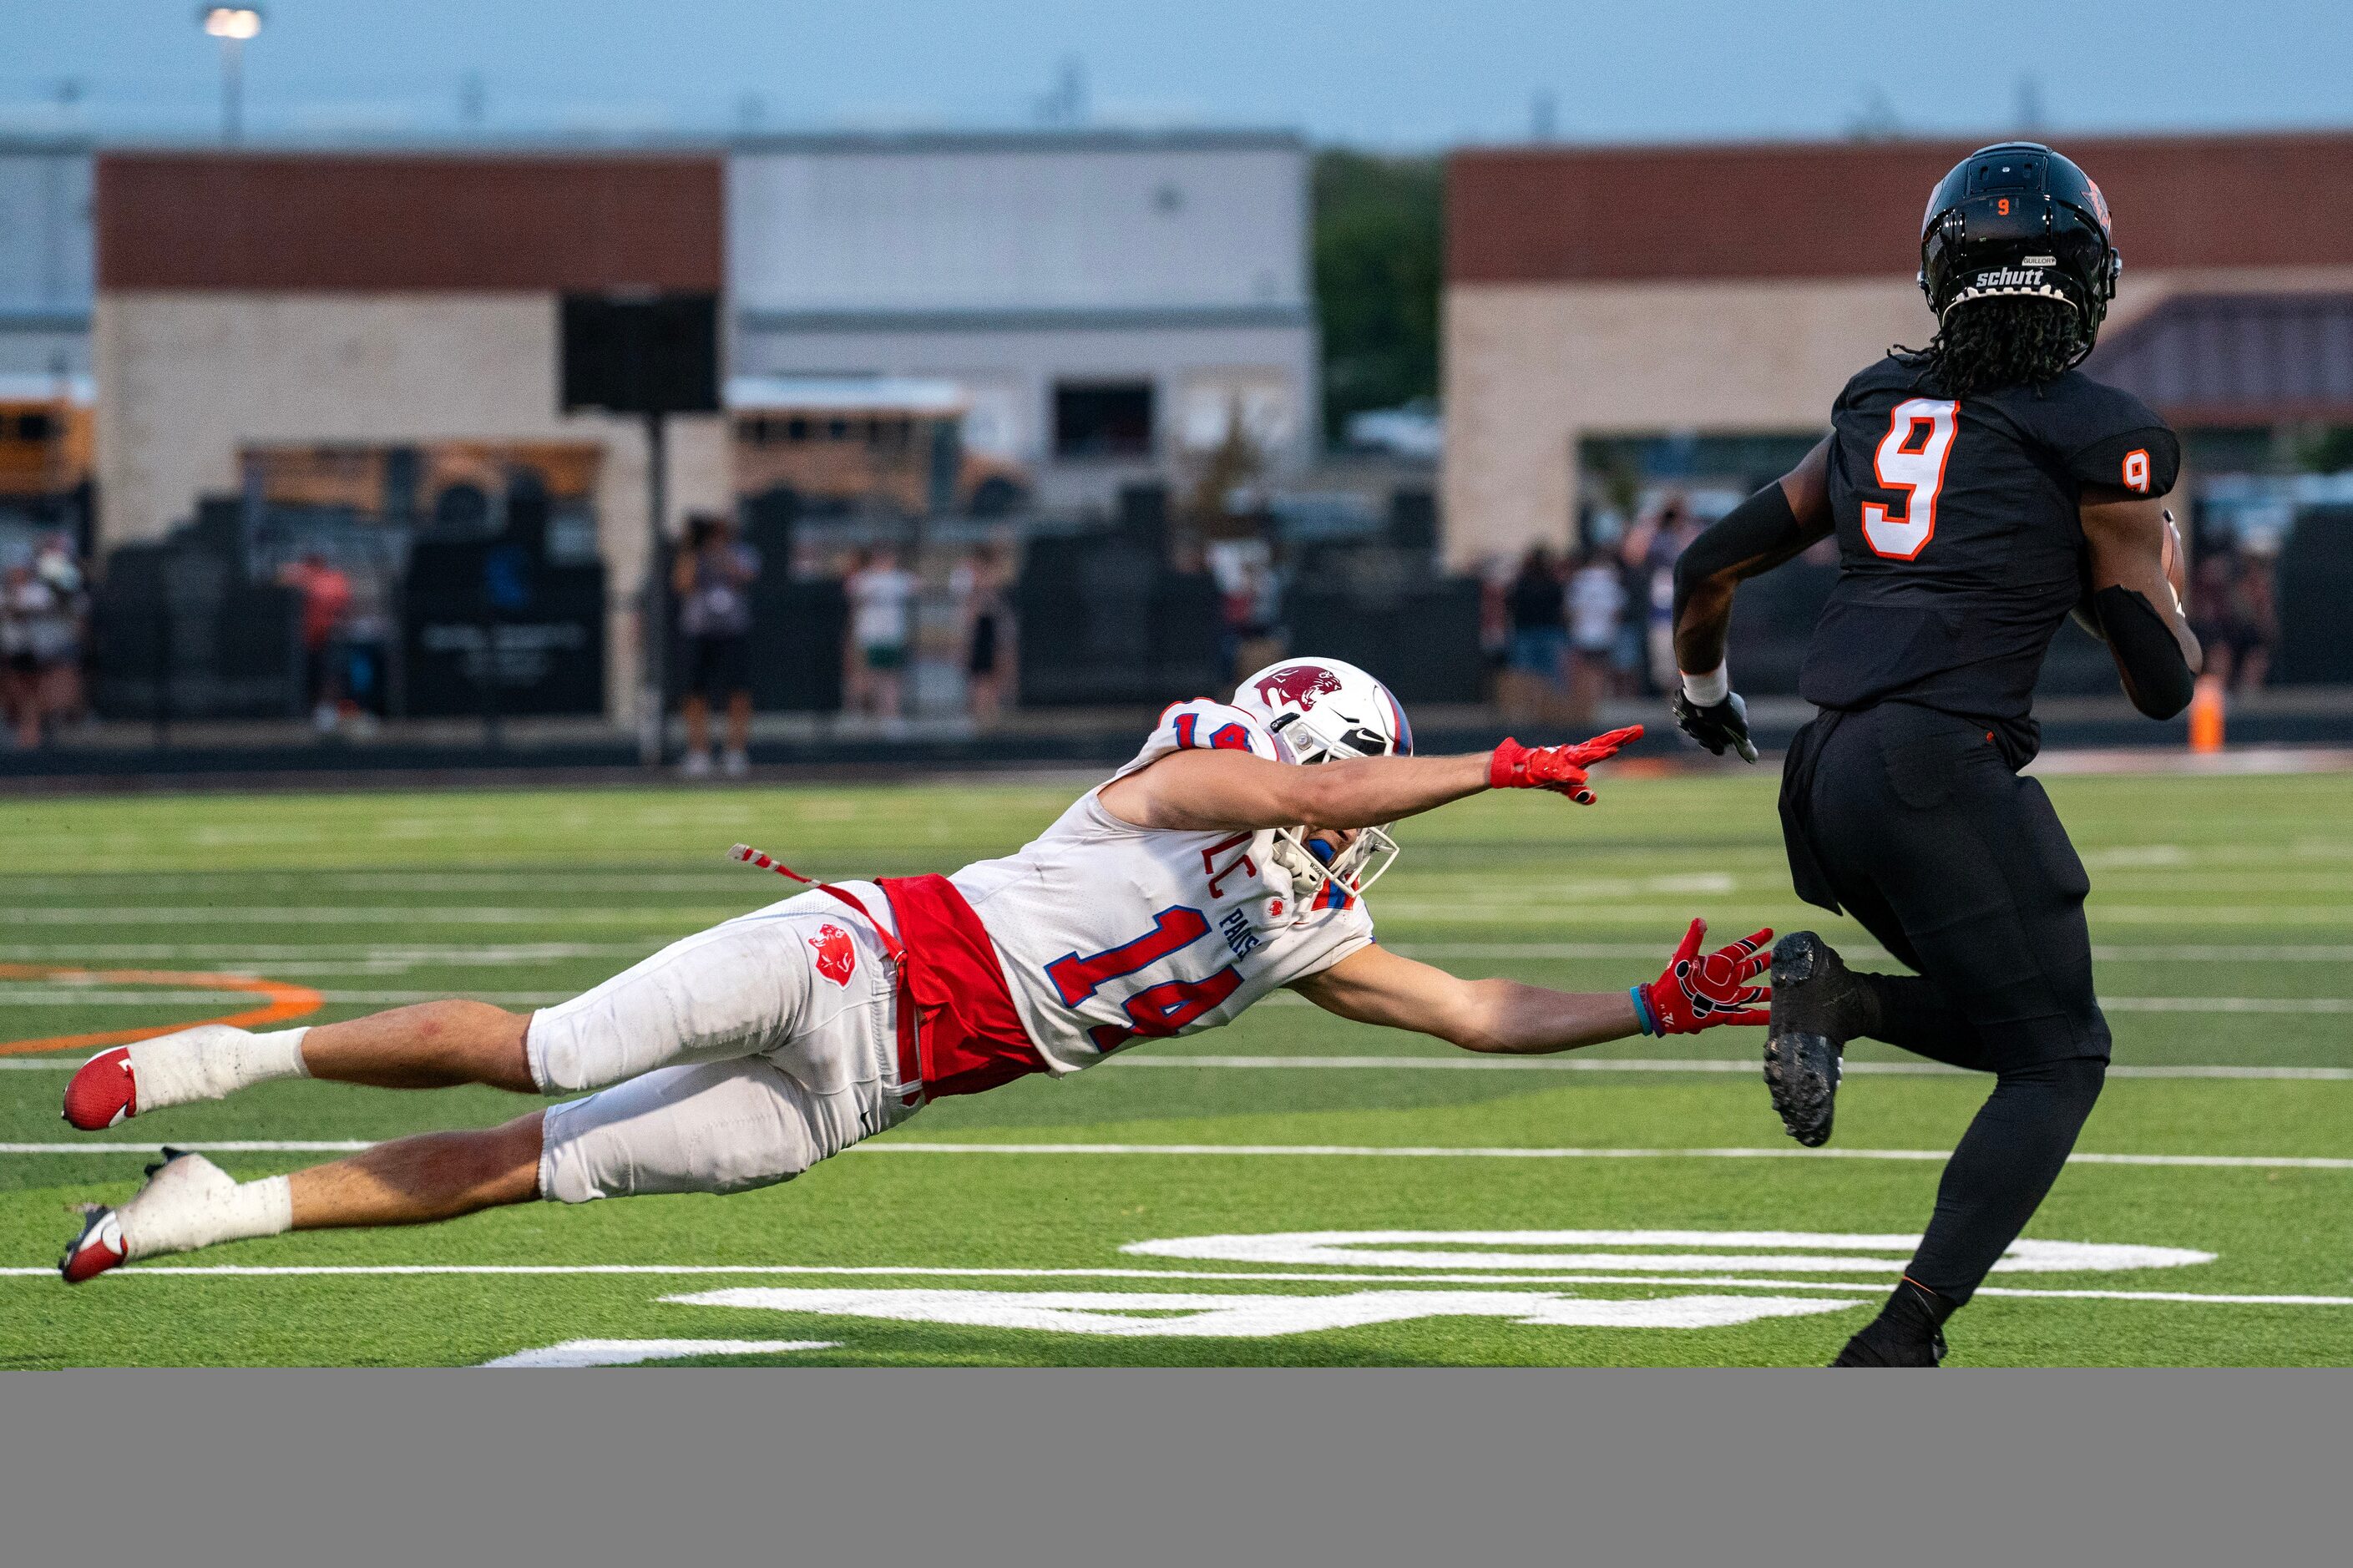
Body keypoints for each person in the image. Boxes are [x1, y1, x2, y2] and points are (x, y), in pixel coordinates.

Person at [57, 658, 1774, 1282]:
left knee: (530, 1171)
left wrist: (1642, 1006)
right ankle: (227, 1065)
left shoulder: (1303, 930)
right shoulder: (1175, 786)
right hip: (841, 961)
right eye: (1350, 779)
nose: (1343, 830)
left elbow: (1474, 1009)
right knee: (556, 1048)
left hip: (863, 1094)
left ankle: (206, 1209)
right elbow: (1305, 794)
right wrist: (1486, 764)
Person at [1668, 143, 2199, 1367]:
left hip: (1823, 776)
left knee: (2022, 1024)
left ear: (1938, 272)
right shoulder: (2103, 434)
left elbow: (1707, 564)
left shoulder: (1873, 405)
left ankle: (1839, 996)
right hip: (1937, 767)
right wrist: (2139, 559)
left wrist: (1705, 697)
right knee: (2061, 1058)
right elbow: (2160, 680)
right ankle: (1902, 1333)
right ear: (2089, 275)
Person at [674, 513, 762, 778]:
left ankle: (735, 752)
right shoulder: (692, 554)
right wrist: (693, 548)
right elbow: (682, 583)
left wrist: (720, 551)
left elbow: (745, 575)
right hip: (699, 631)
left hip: (733, 631)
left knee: (738, 691)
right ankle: (698, 753)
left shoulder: (741, 551)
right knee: (695, 692)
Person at [2, 541, 85, 749]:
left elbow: (59, 612)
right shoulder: (3, 594)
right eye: (13, 570)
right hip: (10, 658)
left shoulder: (40, 593)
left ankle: (36, 736)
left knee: (39, 700)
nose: (17, 574)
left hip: (41, 659)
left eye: (20, 569)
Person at [276, 551, 353, 733]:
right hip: (303, 642)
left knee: (331, 675)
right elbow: (279, 582)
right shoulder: (299, 574)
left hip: (329, 638)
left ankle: (328, 714)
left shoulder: (333, 579)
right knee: (306, 678)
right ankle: (306, 714)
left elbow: (340, 602)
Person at [843, 546, 917, 721]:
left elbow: (917, 585)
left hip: (890, 637)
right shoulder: (865, 579)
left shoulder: (898, 578)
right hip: (870, 637)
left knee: (890, 678)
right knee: (870, 677)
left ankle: (889, 715)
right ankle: (869, 714)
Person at [1502, 544, 1567, 720]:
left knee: (1549, 674)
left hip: (1543, 632)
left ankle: (1550, 710)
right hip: (1529, 632)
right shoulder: (1524, 582)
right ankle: (1528, 709)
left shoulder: (1550, 582)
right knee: (1526, 674)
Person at [952, 544, 1014, 724]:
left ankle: (990, 713)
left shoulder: (993, 583)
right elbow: (968, 614)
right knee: (979, 677)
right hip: (979, 631)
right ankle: (980, 715)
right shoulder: (971, 585)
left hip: (991, 631)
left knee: (994, 674)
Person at [1566, 549, 1627, 721]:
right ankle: (1598, 704)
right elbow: (1618, 610)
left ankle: (1585, 705)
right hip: (1604, 633)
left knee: (1585, 669)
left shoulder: (1579, 580)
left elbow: (1570, 609)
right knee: (1601, 670)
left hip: (1583, 632)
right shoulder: (1611, 579)